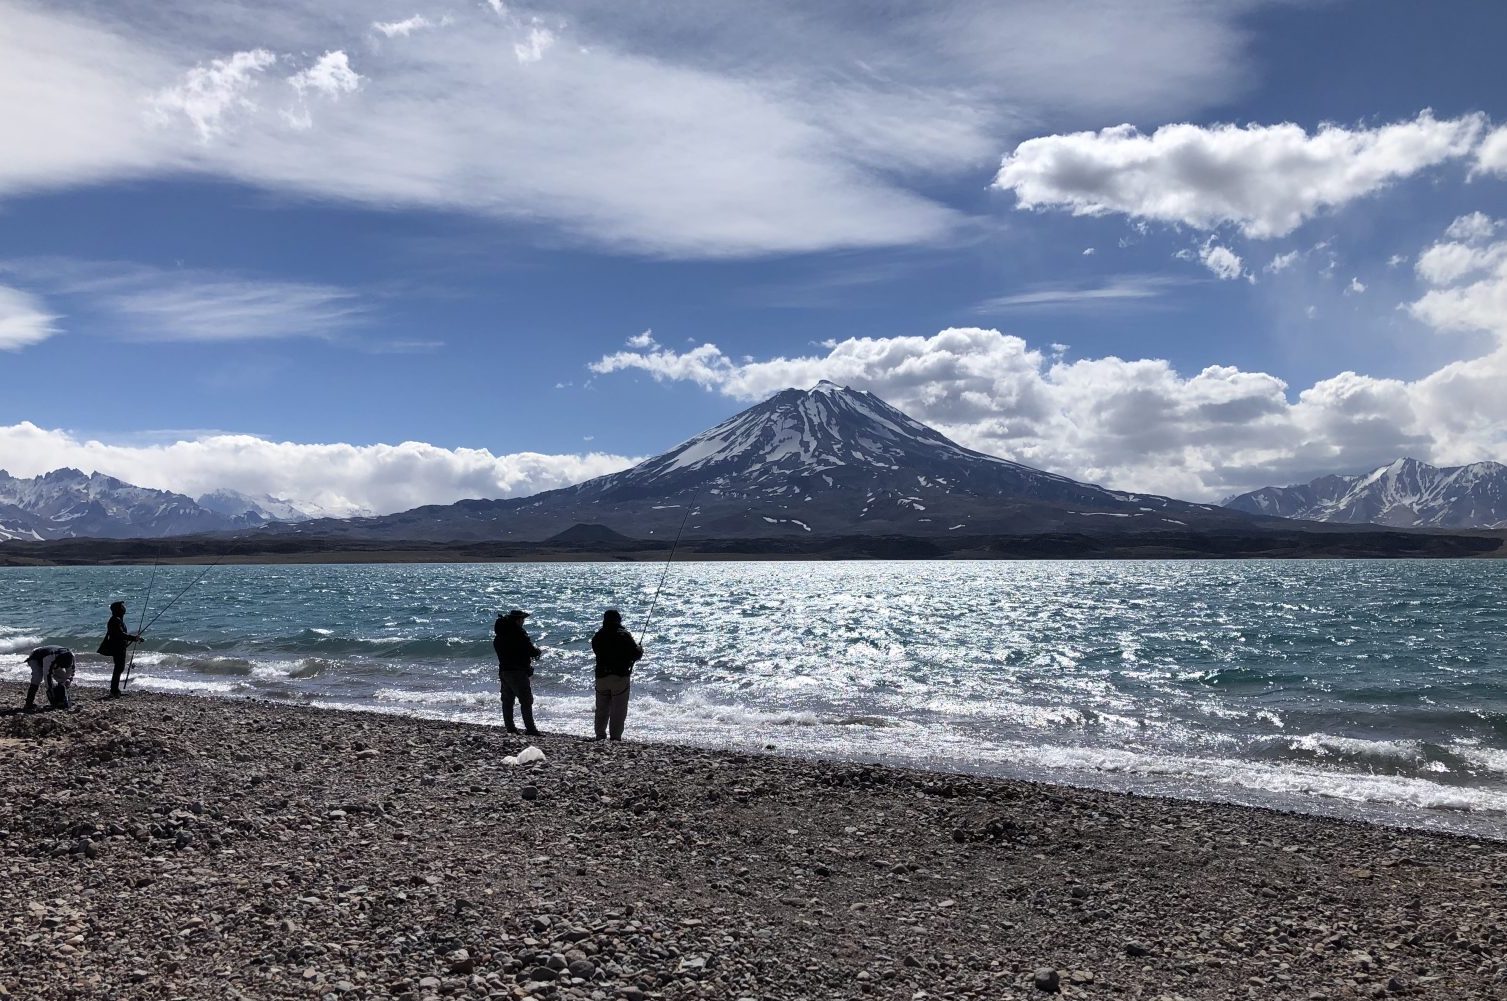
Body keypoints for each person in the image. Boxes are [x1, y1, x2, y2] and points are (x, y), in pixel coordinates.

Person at [590, 609, 642, 741]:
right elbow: (635, 654)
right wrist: (640, 650)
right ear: (618, 620)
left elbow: (597, 651)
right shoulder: (624, 635)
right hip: (619, 676)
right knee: (618, 710)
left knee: (601, 708)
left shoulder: (598, 636)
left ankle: (600, 735)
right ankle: (615, 736)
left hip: (601, 676)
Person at [493, 609, 542, 735]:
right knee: (526, 700)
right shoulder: (519, 634)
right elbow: (531, 651)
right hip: (518, 672)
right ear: (518, 620)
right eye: (522, 619)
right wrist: (537, 652)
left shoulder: (499, 637)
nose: (523, 621)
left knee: (507, 700)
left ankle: (510, 728)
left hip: (504, 671)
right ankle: (530, 729)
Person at [98, 600, 142, 698]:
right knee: (118, 668)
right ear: (118, 610)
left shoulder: (117, 619)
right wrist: (133, 638)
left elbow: (121, 635)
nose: (124, 608)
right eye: (122, 607)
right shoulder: (115, 620)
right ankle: (114, 691)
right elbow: (120, 634)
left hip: (119, 647)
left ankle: (115, 690)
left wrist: (134, 639)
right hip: (117, 648)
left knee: (119, 668)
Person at [23, 646, 75, 712]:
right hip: (36, 657)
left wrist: (68, 681)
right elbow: (47, 676)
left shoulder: (71, 656)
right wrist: (51, 692)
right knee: (37, 677)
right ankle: (28, 703)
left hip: (55, 660)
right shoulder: (50, 658)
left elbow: (71, 672)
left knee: (63, 677)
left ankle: (62, 698)